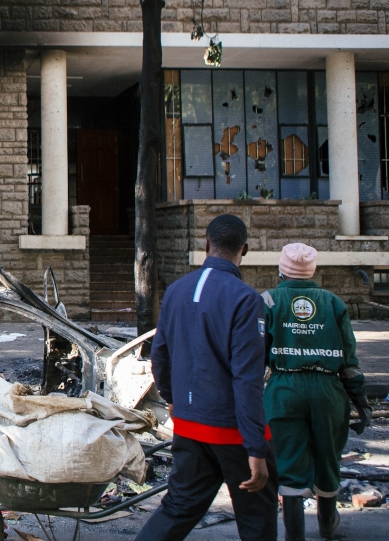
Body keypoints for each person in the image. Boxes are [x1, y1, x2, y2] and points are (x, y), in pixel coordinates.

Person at [136, 214, 279, 541]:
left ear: (206, 244)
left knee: (178, 507)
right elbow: (247, 379)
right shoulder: (246, 299)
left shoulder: (175, 291)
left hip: (190, 425)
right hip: (232, 430)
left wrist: (172, 399)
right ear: (244, 250)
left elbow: (160, 355)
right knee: (257, 518)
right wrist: (256, 447)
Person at [262, 243, 372, 541]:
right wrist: (361, 403)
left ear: (281, 270)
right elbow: (349, 361)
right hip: (328, 390)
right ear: (312, 271)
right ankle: (328, 526)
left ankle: (294, 536)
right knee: (327, 459)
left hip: (284, 389)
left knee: (288, 464)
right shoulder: (333, 303)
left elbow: (255, 356)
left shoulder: (268, 300)